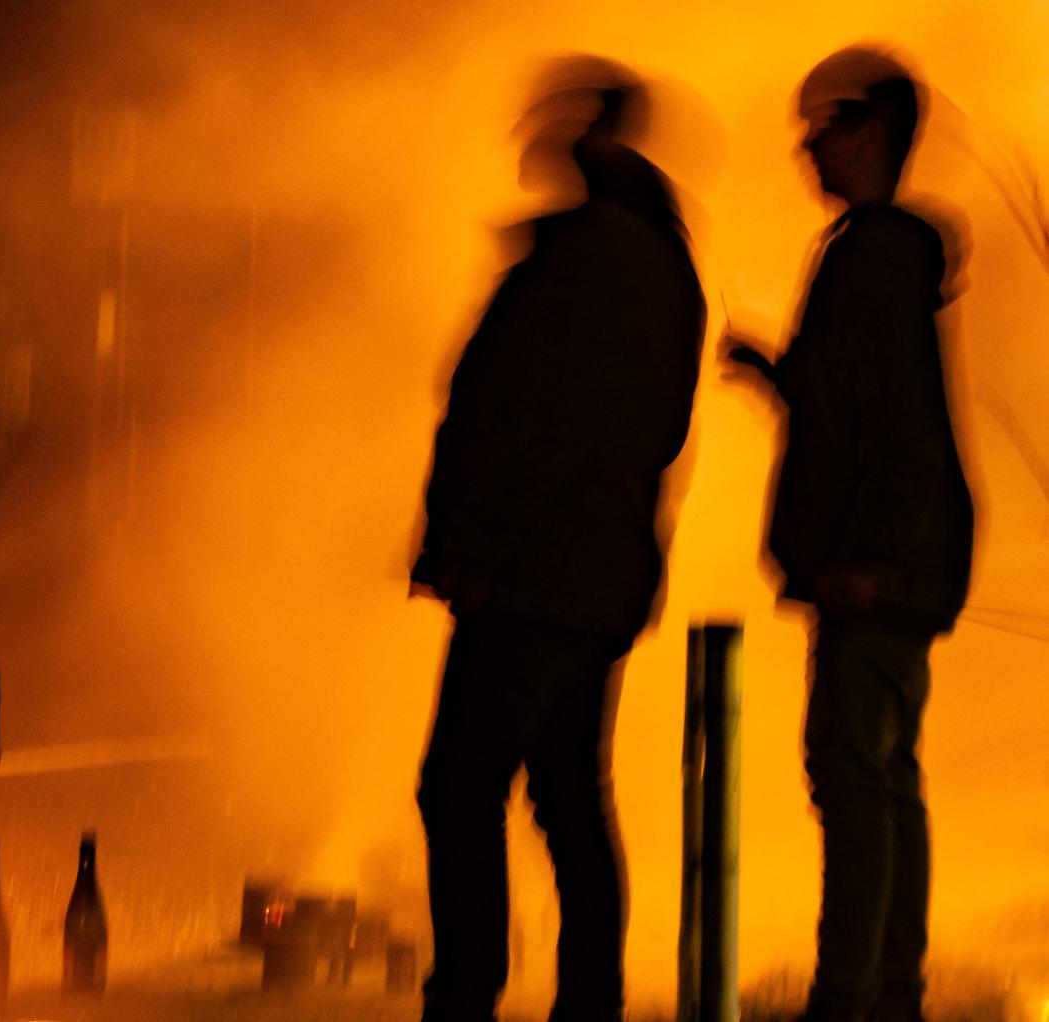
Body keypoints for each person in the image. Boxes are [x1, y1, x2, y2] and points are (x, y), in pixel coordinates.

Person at [411, 59, 705, 1022]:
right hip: (595, 572)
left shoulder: (587, 259)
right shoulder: (658, 261)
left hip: (533, 574)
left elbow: (521, 419)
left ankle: (467, 997)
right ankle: (589, 1001)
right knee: (570, 794)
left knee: (460, 786)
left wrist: (476, 548)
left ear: (594, 133)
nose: (540, 143)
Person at [724, 46, 974, 1022]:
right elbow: (853, 402)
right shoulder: (880, 259)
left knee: (851, 775)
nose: (803, 152)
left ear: (865, 133)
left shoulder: (869, 256)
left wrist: (864, 560)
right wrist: (776, 373)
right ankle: (886, 991)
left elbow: (887, 422)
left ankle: (852, 998)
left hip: (874, 568)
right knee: (881, 776)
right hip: (894, 561)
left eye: (817, 129)